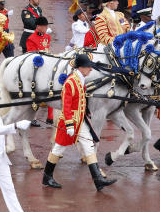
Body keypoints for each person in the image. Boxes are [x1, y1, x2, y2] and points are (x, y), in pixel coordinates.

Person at [41, 53, 116, 191]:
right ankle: (47, 176)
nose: (91, 69)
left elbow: (81, 100)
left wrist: (86, 111)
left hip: (80, 120)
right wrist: (69, 124)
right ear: (81, 68)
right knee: (58, 148)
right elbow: (67, 105)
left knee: (88, 145)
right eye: (88, 67)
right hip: (69, 122)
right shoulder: (71, 82)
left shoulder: (80, 79)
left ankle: (98, 179)